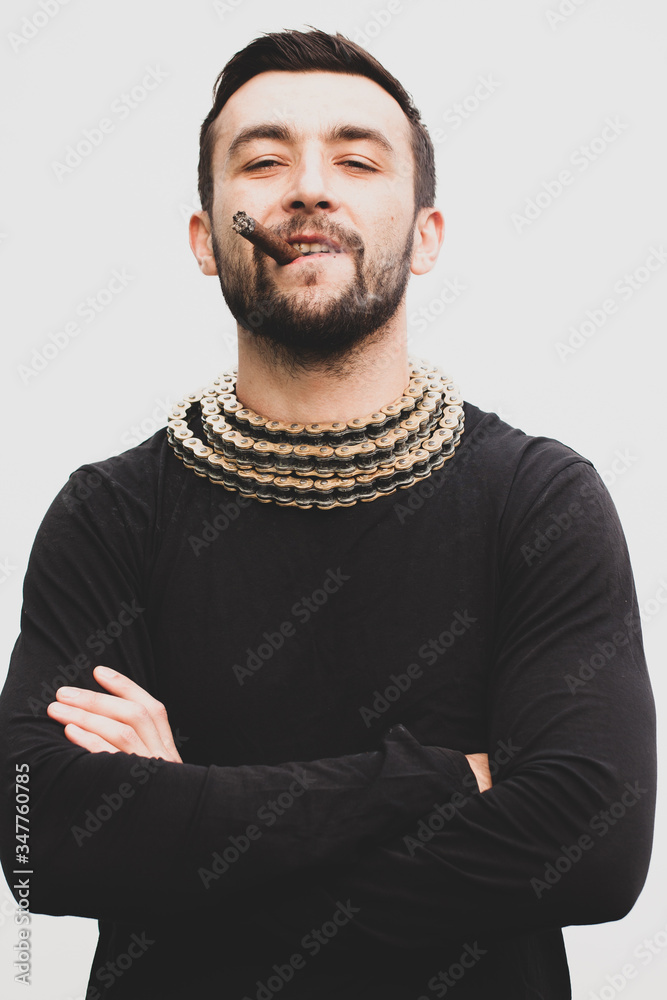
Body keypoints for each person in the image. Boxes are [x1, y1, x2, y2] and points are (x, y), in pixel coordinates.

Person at [0, 27, 656, 1000]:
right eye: (262, 159)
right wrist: (432, 781)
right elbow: (39, 837)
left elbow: (590, 849)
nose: (309, 186)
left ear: (424, 234)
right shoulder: (110, 516)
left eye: (355, 158)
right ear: (203, 235)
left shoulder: (540, 500)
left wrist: (183, 814)